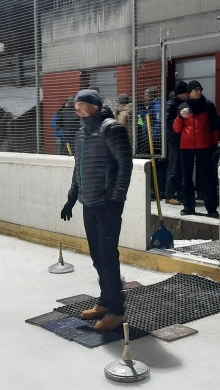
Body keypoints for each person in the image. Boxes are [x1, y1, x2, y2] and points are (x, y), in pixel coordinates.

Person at [60, 89, 133, 332]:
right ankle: (106, 300)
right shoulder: (81, 133)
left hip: (107, 204)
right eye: (76, 106)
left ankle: (117, 311)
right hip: (88, 203)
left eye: (82, 105)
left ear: (95, 105)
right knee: (97, 255)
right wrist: (72, 198)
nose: (78, 109)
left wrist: (117, 198)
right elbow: (78, 168)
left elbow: (125, 164)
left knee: (108, 256)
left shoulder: (111, 128)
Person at [173, 80, 220, 218]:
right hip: (186, 147)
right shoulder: (182, 107)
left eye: (200, 89)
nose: (199, 92)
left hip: (204, 146)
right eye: (196, 90)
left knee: (208, 178)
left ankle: (211, 208)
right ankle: (188, 207)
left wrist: (214, 143)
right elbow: (176, 129)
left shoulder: (208, 105)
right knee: (186, 178)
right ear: (189, 92)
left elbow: (215, 126)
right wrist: (180, 117)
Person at [164, 81, 188, 205]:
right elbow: (168, 122)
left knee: (179, 168)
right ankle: (169, 195)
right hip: (174, 140)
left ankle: (179, 194)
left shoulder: (179, 103)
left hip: (179, 139)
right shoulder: (172, 104)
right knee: (173, 168)